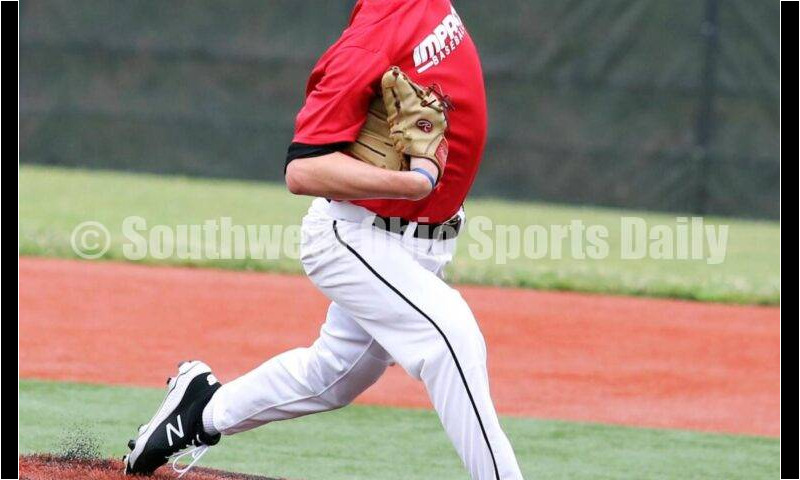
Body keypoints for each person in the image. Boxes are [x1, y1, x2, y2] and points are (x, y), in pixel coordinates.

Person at [124, 1, 523, 479]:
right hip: (354, 236)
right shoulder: (366, 43)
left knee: (334, 375)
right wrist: (414, 182)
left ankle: (199, 411)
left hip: (423, 240)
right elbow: (302, 170)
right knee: (450, 337)